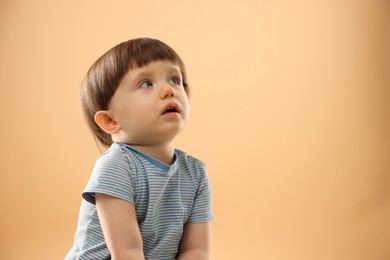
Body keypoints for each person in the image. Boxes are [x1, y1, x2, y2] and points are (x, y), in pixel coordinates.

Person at [65, 38, 214, 260]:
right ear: (109, 121)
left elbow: (196, 250)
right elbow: (127, 252)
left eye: (175, 79)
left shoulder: (195, 173)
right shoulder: (116, 167)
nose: (168, 90)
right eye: (146, 83)